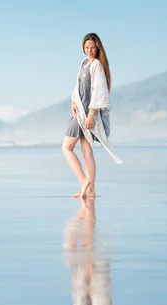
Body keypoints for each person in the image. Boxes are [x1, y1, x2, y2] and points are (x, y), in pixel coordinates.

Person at [62, 33, 123, 198]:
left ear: (98, 49)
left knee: (67, 148)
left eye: (93, 48)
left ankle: (84, 182)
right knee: (85, 151)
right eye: (87, 47)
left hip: (88, 114)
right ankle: (90, 191)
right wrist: (73, 101)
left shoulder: (96, 65)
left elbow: (99, 91)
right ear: (83, 47)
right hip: (79, 111)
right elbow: (78, 88)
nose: (89, 50)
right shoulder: (83, 63)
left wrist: (91, 114)